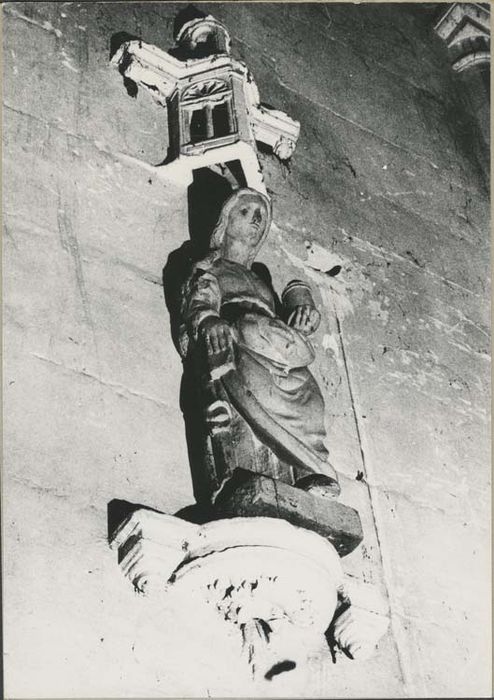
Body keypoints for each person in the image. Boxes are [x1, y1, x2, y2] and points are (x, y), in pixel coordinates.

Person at [180, 188, 340, 498]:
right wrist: (210, 321)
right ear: (225, 220)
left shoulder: (261, 277)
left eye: (261, 217)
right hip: (242, 341)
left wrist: (301, 315)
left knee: (312, 402)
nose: (255, 219)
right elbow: (200, 299)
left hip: (277, 346)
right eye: (246, 212)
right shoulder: (210, 266)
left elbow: (288, 312)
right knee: (256, 387)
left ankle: (308, 472)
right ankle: (253, 473)